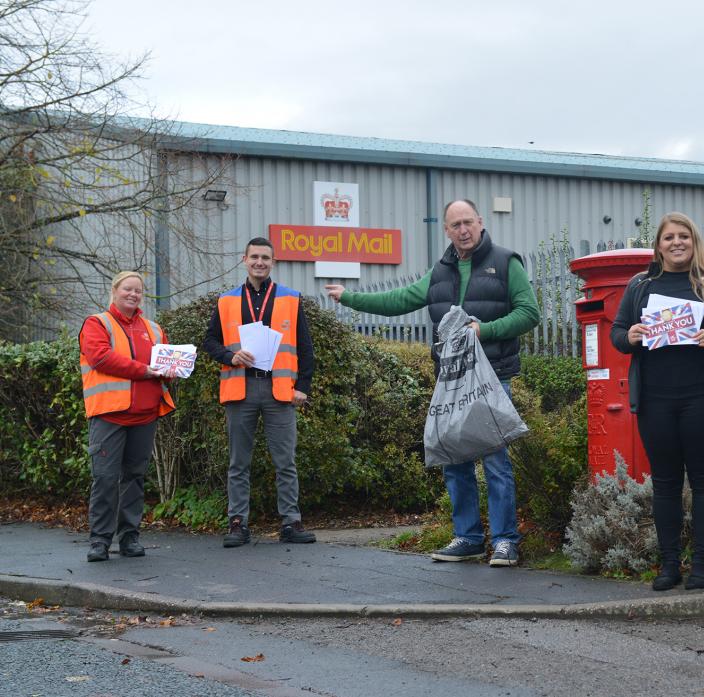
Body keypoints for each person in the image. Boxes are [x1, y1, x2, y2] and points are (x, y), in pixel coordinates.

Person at [325, 199, 539, 567]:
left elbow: (530, 312)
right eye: (455, 224)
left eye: (468, 222)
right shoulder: (440, 272)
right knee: (454, 458)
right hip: (452, 381)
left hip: (492, 379)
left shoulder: (506, 262)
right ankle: (468, 537)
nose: (463, 230)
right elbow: (399, 299)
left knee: (495, 461)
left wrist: (483, 329)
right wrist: (350, 297)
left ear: (480, 222)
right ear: (446, 229)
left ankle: (505, 540)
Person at [610, 213, 704, 591]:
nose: (677, 243)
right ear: (658, 245)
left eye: (684, 236)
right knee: (666, 484)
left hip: (702, 400)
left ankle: (702, 565)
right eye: (669, 237)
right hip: (656, 399)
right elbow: (617, 333)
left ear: (694, 241)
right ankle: (669, 564)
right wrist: (633, 336)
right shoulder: (641, 285)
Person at [202, 237, 317, 548]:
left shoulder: (291, 299)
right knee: (239, 462)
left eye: (265, 257)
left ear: (273, 262)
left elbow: (305, 347)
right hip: (241, 387)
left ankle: (291, 522)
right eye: (254, 257)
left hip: (279, 389)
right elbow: (209, 341)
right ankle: (238, 523)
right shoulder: (226, 301)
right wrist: (229, 356)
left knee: (285, 462)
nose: (260, 262)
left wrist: (303, 387)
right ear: (245, 259)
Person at [78, 271, 177, 562]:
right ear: (115, 291)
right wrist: (145, 369)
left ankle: (130, 537)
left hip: (145, 415)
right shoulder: (97, 323)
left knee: (134, 478)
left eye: (138, 291)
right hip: (109, 415)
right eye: (127, 289)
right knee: (105, 479)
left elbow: (165, 365)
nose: (133, 295)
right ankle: (99, 541)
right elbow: (100, 357)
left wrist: (172, 371)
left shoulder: (154, 329)